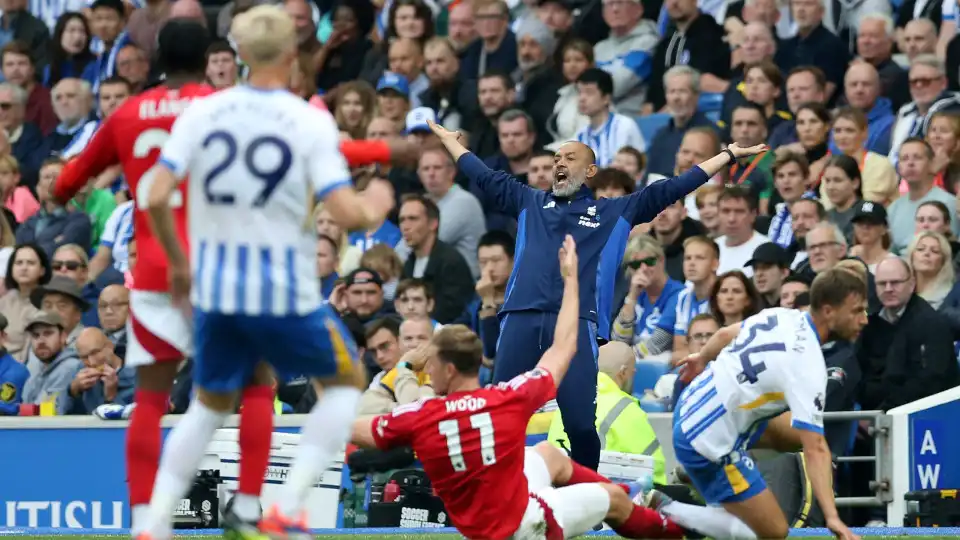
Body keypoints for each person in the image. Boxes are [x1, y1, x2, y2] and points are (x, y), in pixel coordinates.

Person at [138, 6, 392, 539]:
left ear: (238, 55)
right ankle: (288, 507)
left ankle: (154, 522)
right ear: (294, 52)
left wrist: (179, 265)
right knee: (346, 385)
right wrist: (376, 202)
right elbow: (345, 213)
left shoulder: (204, 112)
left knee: (208, 405)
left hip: (217, 291)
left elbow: (154, 193)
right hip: (283, 294)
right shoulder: (307, 119)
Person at [428, 118, 768, 469]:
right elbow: (484, 175)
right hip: (521, 317)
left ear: (590, 170)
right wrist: (452, 142)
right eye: (557, 157)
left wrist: (727, 155)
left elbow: (674, 188)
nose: (560, 162)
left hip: (577, 323)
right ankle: (496, 497)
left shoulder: (615, 211)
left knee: (578, 424)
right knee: (499, 417)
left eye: (569, 157)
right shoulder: (528, 200)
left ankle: (586, 494)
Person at [52, 20, 280, 540]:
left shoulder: (127, 113)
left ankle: (143, 521)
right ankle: (246, 507)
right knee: (257, 385)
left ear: (156, 57)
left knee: (151, 401)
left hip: (155, 273)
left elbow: (66, 183)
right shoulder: (230, 108)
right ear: (208, 57)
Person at [350, 235, 692, 539]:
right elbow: (564, 347)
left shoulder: (422, 415)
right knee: (614, 503)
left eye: (432, 362)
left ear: (449, 369)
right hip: (523, 526)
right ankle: (674, 529)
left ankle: (647, 505)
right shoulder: (509, 397)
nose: (428, 368)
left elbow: (358, 430)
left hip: (487, 523)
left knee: (548, 454)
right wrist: (572, 282)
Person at [642, 268, 868, 540]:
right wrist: (833, 518)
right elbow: (816, 450)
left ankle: (714, 486)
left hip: (692, 405)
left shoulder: (783, 315)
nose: (865, 319)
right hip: (706, 442)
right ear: (830, 311)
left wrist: (700, 358)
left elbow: (725, 334)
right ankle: (667, 508)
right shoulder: (807, 367)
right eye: (857, 310)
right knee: (773, 531)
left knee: (795, 434)